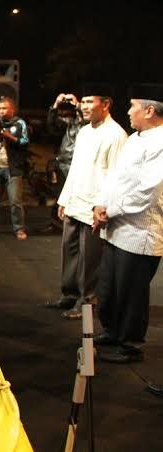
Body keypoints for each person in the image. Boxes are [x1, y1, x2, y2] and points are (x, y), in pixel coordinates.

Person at [92, 86, 163, 364]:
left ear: (149, 110)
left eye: (133, 105)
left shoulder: (161, 143)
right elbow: (115, 178)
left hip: (139, 231)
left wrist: (111, 210)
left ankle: (131, 344)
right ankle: (112, 331)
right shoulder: (135, 139)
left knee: (132, 292)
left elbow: (149, 191)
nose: (128, 111)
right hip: (116, 226)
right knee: (110, 287)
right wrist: (100, 204)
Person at [44, 91, 127, 319]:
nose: (85, 106)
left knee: (90, 259)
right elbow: (75, 169)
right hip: (75, 201)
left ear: (106, 104)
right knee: (69, 251)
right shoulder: (82, 132)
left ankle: (87, 302)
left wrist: (102, 206)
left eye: (91, 102)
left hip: (94, 206)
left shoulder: (116, 135)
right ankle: (69, 295)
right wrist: (64, 198)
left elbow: (116, 176)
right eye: (84, 102)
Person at [0, 96, 30, 240]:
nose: (1, 111)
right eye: (0, 108)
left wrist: (10, 137)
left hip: (13, 168)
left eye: (5, 108)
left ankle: (19, 228)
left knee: (15, 201)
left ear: (12, 109)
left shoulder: (19, 123)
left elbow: (25, 142)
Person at [44, 92, 86, 231]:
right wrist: (56, 104)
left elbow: (86, 119)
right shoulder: (68, 124)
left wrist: (77, 103)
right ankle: (57, 223)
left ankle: (74, 224)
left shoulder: (88, 126)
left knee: (78, 195)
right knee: (60, 194)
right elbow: (51, 125)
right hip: (63, 163)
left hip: (80, 164)